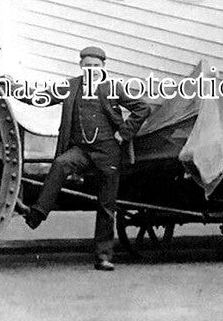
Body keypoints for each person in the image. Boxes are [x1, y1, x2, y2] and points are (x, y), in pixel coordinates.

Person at [24, 46, 151, 271]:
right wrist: (10, 88)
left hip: (108, 153)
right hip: (81, 151)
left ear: (103, 67)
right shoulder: (71, 86)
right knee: (62, 163)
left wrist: (124, 133)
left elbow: (142, 108)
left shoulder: (112, 87)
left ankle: (103, 256)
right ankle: (38, 214)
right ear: (81, 66)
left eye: (96, 66)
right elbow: (40, 98)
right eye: (88, 66)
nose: (92, 70)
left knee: (106, 204)